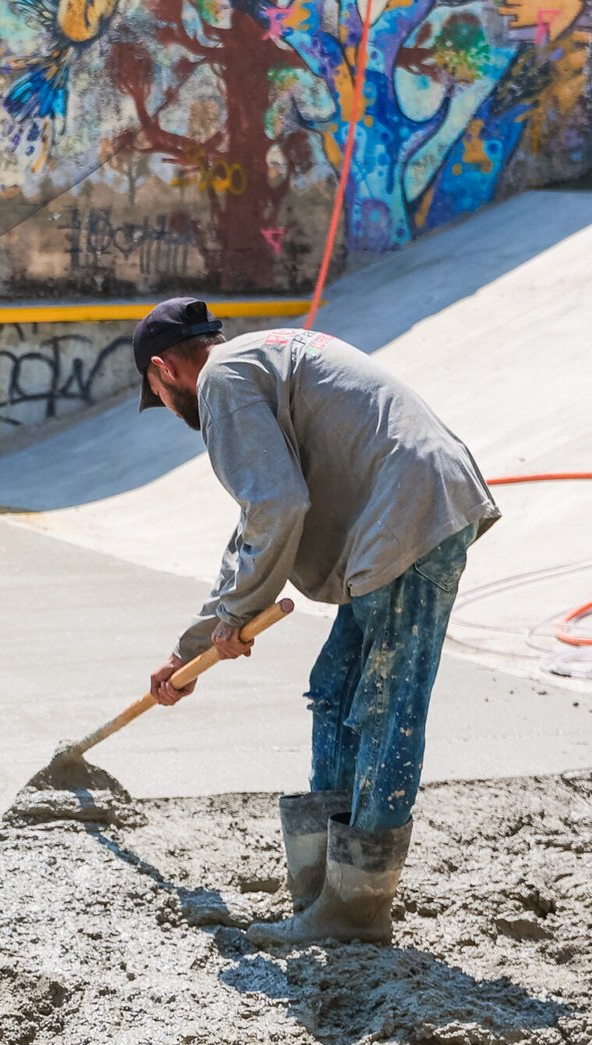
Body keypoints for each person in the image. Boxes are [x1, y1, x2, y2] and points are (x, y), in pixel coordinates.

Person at [137, 297, 498, 945]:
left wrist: (238, 614)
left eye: (156, 396)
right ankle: (319, 893)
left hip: (410, 513)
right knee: (336, 689)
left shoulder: (220, 380)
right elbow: (258, 519)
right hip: (402, 513)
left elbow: (276, 506)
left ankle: (354, 911)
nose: (168, 409)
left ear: (164, 371)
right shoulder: (256, 361)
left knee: (387, 702)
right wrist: (193, 646)